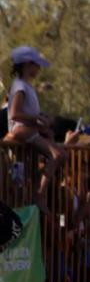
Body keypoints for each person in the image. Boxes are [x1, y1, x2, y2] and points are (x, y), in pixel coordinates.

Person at [4, 46, 64, 210]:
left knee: (29, 171)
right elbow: (14, 113)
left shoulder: (25, 86)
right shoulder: (20, 86)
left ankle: (35, 191)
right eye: (35, 64)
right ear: (26, 64)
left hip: (29, 129)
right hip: (22, 130)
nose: (38, 68)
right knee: (57, 154)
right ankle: (39, 192)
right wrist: (36, 119)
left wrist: (42, 120)